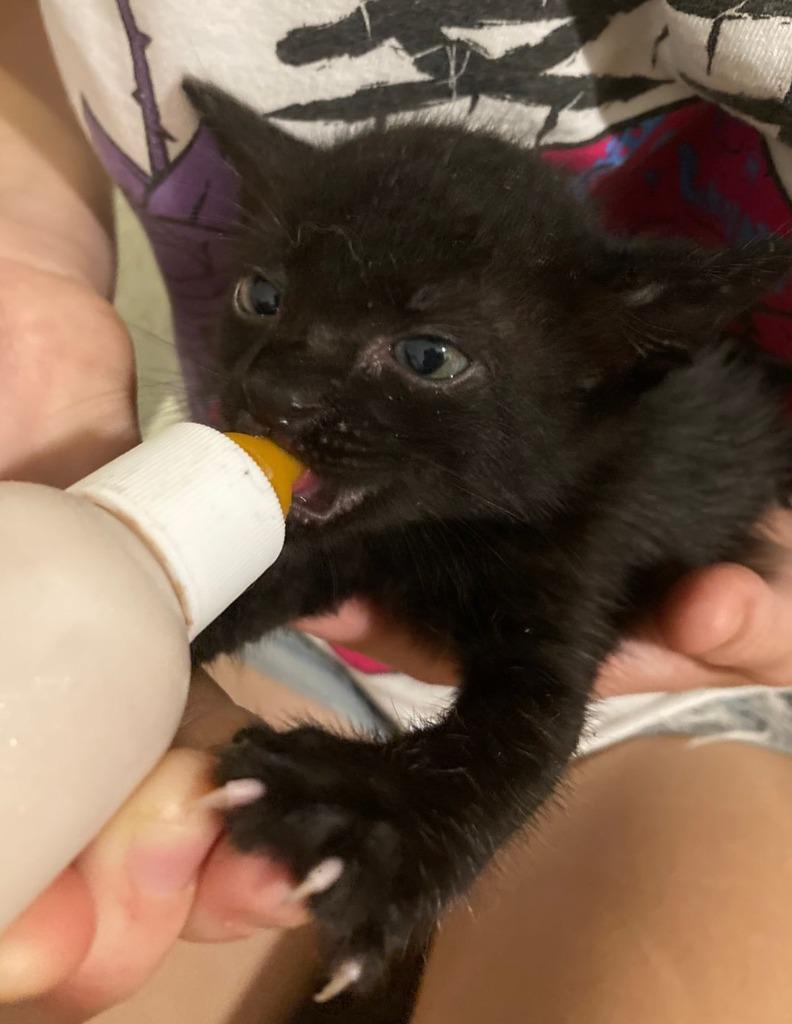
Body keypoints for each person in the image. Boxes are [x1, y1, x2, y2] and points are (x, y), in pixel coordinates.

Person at [2, 2, 792, 1021]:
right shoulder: (336, 475)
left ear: (606, 362)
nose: (276, 390)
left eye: (425, 359)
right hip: (307, 665)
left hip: (668, 707)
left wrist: (397, 822)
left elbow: (529, 707)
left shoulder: (579, 496)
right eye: (266, 302)